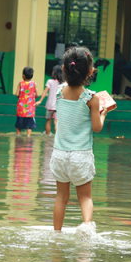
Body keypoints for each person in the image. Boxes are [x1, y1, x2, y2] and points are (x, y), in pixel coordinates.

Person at [52, 47, 110, 232]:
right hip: (81, 156)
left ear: (64, 69)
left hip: (60, 154)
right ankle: (87, 228)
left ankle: (57, 234)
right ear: (91, 71)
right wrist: (103, 113)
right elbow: (97, 128)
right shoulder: (91, 98)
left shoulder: (59, 92)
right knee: (85, 197)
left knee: (61, 197)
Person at [14, 67, 38, 137]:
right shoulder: (34, 84)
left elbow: (17, 94)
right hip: (30, 110)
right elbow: (37, 94)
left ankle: (18, 135)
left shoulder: (21, 83)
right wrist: (32, 98)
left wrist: (21, 97)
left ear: (23, 75)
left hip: (21, 109)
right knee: (29, 125)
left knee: (19, 125)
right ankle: (28, 136)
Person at [43, 65, 64, 136]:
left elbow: (45, 91)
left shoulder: (50, 81)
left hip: (49, 106)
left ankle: (47, 135)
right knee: (56, 122)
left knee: (48, 121)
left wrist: (40, 100)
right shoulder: (63, 84)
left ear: (54, 73)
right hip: (58, 106)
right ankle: (57, 137)